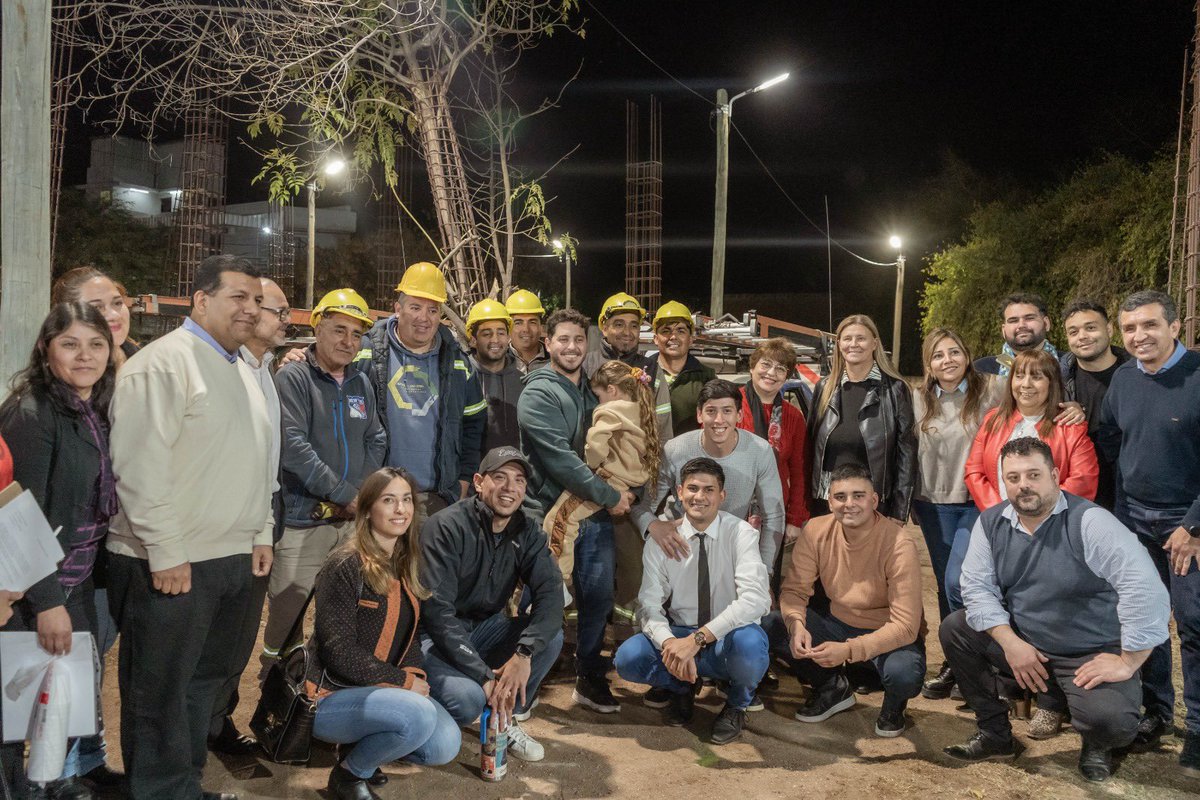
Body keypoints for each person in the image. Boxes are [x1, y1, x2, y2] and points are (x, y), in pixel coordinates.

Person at [106, 254, 275, 800]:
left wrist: (260, 531)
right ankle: (159, 790)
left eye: (257, 299)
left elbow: (256, 461)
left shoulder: (240, 370)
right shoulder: (162, 364)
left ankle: (183, 784)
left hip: (230, 558)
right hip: (173, 563)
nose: (251, 309)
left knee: (202, 685)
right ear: (201, 300)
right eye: (238, 298)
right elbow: (139, 467)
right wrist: (166, 550)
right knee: (159, 690)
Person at [941, 437, 1169, 782]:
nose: (1023, 486)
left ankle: (1097, 742)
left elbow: (1145, 588)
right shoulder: (991, 523)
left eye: (1034, 475)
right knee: (956, 628)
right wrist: (1011, 643)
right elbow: (976, 589)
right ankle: (994, 733)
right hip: (1027, 647)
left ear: (1055, 474)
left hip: (1087, 654)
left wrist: (1129, 660)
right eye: (1013, 478)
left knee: (1114, 724)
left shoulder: (1090, 522)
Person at [0, 302, 119, 800]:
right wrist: (48, 600)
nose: (85, 355)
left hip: (77, 575)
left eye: (96, 344)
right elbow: (19, 517)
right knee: (12, 714)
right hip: (31, 586)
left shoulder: (93, 406)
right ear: (47, 351)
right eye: (70, 344)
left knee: (59, 704)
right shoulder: (31, 412)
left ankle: (44, 785)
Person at [309, 467, 460, 800]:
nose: (401, 509)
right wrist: (403, 683)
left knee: (445, 745)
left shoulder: (404, 563)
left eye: (406, 500)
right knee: (418, 716)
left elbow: (412, 636)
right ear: (367, 509)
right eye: (388, 500)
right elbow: (338, 651)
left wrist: (411, 673)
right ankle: (349, 776)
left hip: (381, 690)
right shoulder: (345, 564)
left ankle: (363, 748)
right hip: (330, 695)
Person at [1098, 289, 1200, 773]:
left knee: (1194, 625)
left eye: (1150, 325)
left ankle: (1198, 728)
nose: (1140, 336)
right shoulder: (1123, 381)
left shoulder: (1198, 376)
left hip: (1188, 526)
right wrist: (1119, 518)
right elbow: (1114, 440)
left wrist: (1193, 526)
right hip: (1135, 521)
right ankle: (1158, 713)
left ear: (1175, 326)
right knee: (1145, 621)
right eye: (1131, 328)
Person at [262, 289, 387, 681]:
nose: (347, 342)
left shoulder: (360, 383)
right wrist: (348, 495)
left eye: (356, 334)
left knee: (343, 618)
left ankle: (322, 694)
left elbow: (376, 438)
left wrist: (361, 491)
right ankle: (275, 701)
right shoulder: (294, 376)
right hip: (304, 521)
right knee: (287, 620)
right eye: (339, 330)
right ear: (317, 326)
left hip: (348, 526)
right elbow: (293, 449)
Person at [517, 308, 635, 713]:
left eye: (579, 340)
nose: (572, 347)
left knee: (597, 599)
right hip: (549, 515)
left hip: (594, 516)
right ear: (547, 343)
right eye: (563, 339)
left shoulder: (592, 388)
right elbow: (562, 461)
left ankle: (589, 676)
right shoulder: (538, 392)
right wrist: (611, 496)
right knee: (543, 598)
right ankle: (522, 682)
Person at [418, 447, 565, 762]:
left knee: (549, 638)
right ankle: (427, 708)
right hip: (434, 637)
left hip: (484, 629)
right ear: (478, 482)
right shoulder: (446, 526)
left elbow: (551, 596)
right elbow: (437, 614)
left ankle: (503, 716)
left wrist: (523, 655)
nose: (510, 488)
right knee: (468, 700)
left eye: (519, 480)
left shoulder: (527, 531)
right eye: (499, 477)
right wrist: (484, 676)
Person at [50, 267, 137, 787]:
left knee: (92, 661)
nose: (112, 315)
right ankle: (60, 772)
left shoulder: (129, 370)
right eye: (97, 306)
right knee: (73, 665)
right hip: (77, 560)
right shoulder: (67, 389)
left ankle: (86, 760)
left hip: (120, 549)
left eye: (118, 302)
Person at [614, 458, 771, 744]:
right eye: (693, 489)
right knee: (628, 658)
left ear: (722, 496)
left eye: (709, 490)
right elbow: (649, 605)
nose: (700, 497)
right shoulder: (662, 540)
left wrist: (697, 640)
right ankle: (681, 685)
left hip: (723, 637)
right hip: (681, 632)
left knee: (750, 644)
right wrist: (670, 644)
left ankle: (736, 704)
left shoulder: (741, 534)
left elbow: (755, 600)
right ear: (679, 491)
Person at [769, 464, 925, 738]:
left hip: (886, 630)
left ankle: (894, 704)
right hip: (836, 621)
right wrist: (796, 626)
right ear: (829, 502)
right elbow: (794, 590)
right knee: (772, 624)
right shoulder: (816, 529)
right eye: (840, 497)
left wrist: (849, 651)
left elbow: (906, 626)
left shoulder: (899, 543)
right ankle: (831, 687)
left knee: (904, 674)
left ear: (874, 500)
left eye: (858, 496)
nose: (849, 504)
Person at [208, 277, 289, 756]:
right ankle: (199, 731)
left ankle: (217, 722)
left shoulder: (266, 369)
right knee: (217, 636)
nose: (285, 319)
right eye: (276, 310)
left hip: (260, 521)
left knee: (239, 634)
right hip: (225, 525)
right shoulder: (227, 370)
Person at [910, 328, 1000, 700]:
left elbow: (1036, 396)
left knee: (959, 581)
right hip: (931, 503)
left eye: (954, 352)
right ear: (929, 364)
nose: (947, 361)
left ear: (967, 354)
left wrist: (1070, 407)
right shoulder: (918, 398)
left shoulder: (993, 389)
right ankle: (955, 664)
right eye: (938, 355)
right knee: (946, 590)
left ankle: (982, 663)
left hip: (974, 503)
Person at [355, 261, 486, 517]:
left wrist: (462, 482)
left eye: (433, 310)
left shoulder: (458, 362)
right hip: (379, 496)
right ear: (397, 309)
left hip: (436, 498)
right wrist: (300, 356)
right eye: (415, 307)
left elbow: (474, 426)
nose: (424, 318)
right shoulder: (365, 352)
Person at [634, 379, 785, 575]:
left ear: (739, 415)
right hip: (679, 546)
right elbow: (643, 504)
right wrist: (653, 526)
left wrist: (764, 572)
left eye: (727, 411)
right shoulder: (674, 449)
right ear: (699, 414)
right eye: (711, 411)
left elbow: (773, 516)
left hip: (729, 546)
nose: (719, 420)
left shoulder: (760, 451)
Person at [544, 361, 660, 601]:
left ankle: (559, 583)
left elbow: (597, 440)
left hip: (608, 478)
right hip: (628, 481)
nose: (598, 401)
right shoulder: (642, 409)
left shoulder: (609, 410)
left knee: (559, 519)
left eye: (598, 395)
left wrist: (592, 462)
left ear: (612, 389)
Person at [807, 314, 916, 521]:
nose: (853, 344)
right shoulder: (824, 388)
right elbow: (810, 450)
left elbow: (907, 456)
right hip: (826, 502)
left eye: (861, 338)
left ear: (874, 343)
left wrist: (899, 511)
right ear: (838, 344)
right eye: (847, 339)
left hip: (873, 503)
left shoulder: (895, 389)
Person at [965, 348, 1098, 511]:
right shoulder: (992, 420)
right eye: (1019, 376)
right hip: (1000, 522)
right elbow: (974, 471)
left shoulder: (1071, 428)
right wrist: (998, 513)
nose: (1026, 384)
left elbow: (1083, 480)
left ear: (1052, 383)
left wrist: (1039, 516)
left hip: (1052, 525)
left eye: (1036, 377)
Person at [737, 338, 811, 557]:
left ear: (787, 377)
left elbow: (799, 472)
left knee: (766, 583)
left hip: (774, 518)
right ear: (752, 367)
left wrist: (795, 519)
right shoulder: (729, 404)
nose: (771, 373)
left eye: (780, 368)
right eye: (765, 364)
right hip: (730, 513)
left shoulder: (793, 417)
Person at [1059, 299, 1130, 510]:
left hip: (1130, 491)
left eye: (1090, 328)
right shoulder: (1057, 380)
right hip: (1080, 490)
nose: (1082, 336)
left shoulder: (1137, 374)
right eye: (1073, 332)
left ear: (1109, 329)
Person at [645, 301, 715, 438]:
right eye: (666, 331)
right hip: (646, 456)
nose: (673, 337)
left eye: (681, 331)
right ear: (655, 339)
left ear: (691, 339)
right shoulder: (642, 372)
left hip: (689, 456)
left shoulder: (706, 377)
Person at [466, 298, 524, 451]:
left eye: (501, 333)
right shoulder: (460, 380)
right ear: (473, 340)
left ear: (508, 337)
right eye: (487, 334)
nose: (495, 340)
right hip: (470, 472)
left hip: (515, 472)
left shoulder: (523, 383)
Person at [52, 265, 139, 363]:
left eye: (117, 303)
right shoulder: (62, 372)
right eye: (97, 307)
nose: (115, 315)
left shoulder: (144, 360)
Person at [973, 292, 1058, 377]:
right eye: (1013, 321)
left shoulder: (1068, 365)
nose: (1021, 325)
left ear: (1046, 324)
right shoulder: (980, 370)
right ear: (1003, 330)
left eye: (1029, 318)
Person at [582, 292, 649, 377]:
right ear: (605, 329)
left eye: (634, 326)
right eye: (619, 325)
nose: (627, 332)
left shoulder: (652, 369)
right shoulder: (585, 365)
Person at [504, 289, 550, 374]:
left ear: (541, 327)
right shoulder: (497, 362)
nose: (526, 329)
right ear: (508, 327)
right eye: (518, 323)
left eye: (532, 322)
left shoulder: (555, 361)